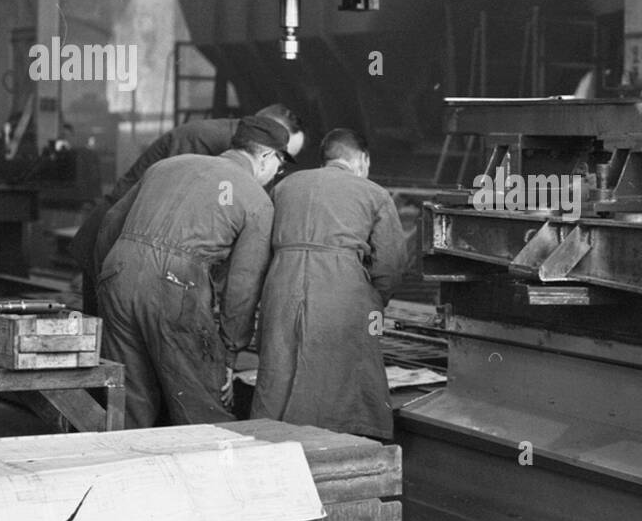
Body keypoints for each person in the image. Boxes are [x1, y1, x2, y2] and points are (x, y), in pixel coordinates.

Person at [93, 115, 288, 428]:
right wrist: (230, 353)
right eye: (280, 164)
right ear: (267, 157)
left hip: (118, 274)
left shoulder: (167, 166)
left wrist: (111, 276)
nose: (277, 174)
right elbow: (243, 287)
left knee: (129, 401)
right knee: (202, 404)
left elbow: (110, 224)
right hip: (176, 287)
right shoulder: (256, 201)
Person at [252, 128, 408, 441]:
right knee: (342, 380)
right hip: (342, 289)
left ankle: (270, 445)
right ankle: (333, 454)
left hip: (281, 283)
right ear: (362, 160)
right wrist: (374, 300)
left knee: (280, 366)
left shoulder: (284, 186)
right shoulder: (374, 193)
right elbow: (391, 264)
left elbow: (258, 246)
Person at [71, 104, 304, 312]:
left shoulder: (228, 158)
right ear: (263, 144)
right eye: (279, 157)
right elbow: (168, 216)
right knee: (106, 329)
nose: (276, 170)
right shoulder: (199, 140)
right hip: (113, 238)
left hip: (130, 247)